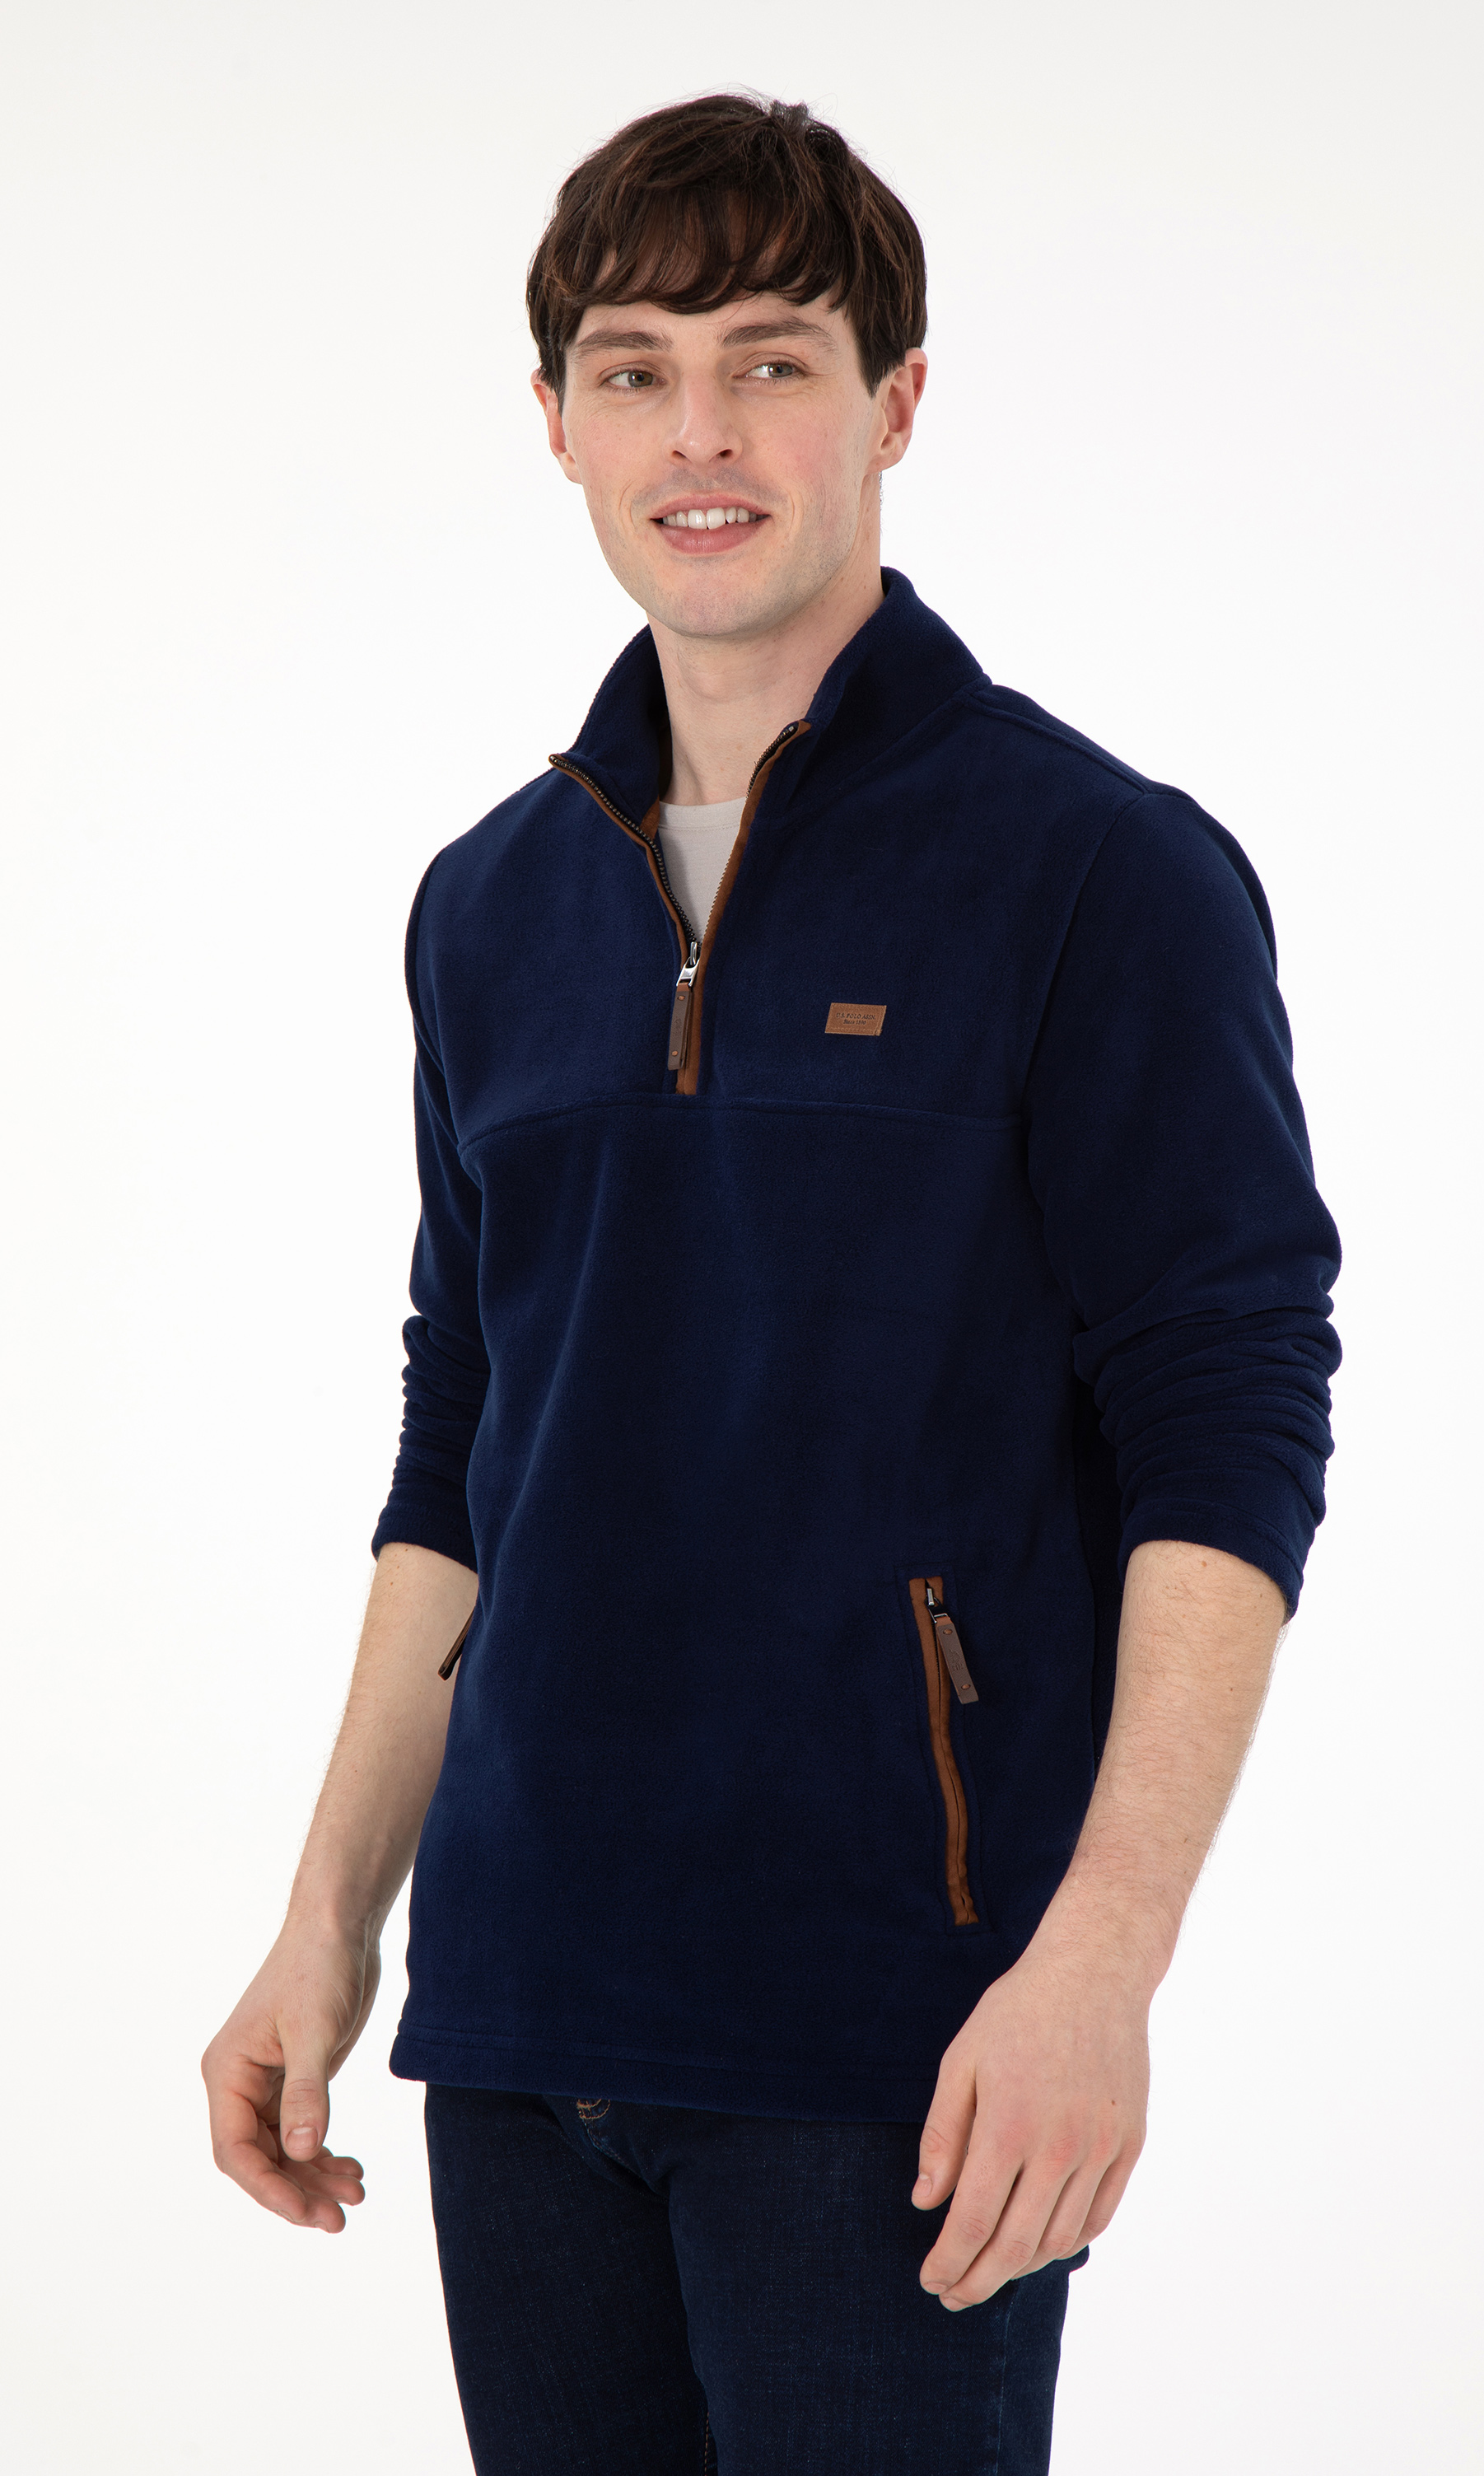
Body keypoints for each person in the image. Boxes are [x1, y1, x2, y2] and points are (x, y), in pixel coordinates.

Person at [202, 91, 1341, 2475]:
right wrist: (330, 1916)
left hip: (895, 2037)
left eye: (769, 362)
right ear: (556, 422)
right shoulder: (489, 904)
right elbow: (461, 1440)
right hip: (520, 2024)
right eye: (634, 370)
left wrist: (1101, 1962)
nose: (697, 435)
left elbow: (1226, 1429)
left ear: (893, 402)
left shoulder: (1095, 873)